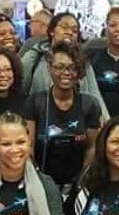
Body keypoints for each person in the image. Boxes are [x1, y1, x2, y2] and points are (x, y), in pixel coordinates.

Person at [21, 40, 102, 195]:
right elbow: (28, 146)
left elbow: (92, 147)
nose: (65, 73)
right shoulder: (35, 102)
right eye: (59, 67)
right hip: (42, 184)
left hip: (76, 186)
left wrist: (81, 181)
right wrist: (37, 179)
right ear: (49, 68)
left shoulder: (90, 104)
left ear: (79, 71)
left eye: (72, 68)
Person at [21, 11, 109, 120]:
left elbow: (95, 96)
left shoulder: (83, 63)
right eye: (64, 27)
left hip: (76, 126)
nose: (70, 32)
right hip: (41, 123)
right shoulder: (34, 57)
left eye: (74, 30)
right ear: (52, 31)